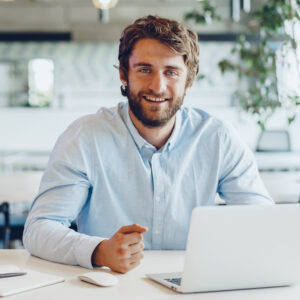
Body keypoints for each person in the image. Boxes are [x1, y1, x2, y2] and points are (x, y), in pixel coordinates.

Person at [23, 15, 273, 274]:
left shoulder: (218, 138)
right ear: (123, 73)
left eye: (171, 72)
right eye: (144, 70)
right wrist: (99, 250)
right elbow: (39, 229)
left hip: (192, 286)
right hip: (109, 288)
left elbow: (264, 224)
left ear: (189, 80)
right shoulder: (85, 137)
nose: (158, 86)